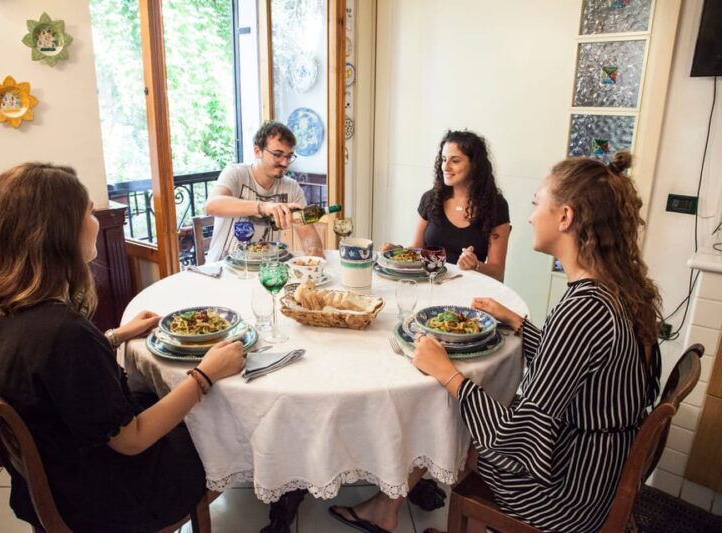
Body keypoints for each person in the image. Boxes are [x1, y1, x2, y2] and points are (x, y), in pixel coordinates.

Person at [334, 152, 662, 533]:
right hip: (594, 470)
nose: (530, 215)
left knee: (453, 419)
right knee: (468, 407)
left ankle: (391, 509)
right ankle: (388, 509)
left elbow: (516, 439)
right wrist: (519, 324)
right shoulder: (608, 290)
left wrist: (447, 373)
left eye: (538, 203)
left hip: (566, 495)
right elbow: (572, 366)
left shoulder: (582, 311)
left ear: (566, 217)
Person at [0, 163, 245, 532]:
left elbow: (50, 373)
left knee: (153, 390)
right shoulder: (65, 333)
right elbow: (131, 441)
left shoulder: (1, 309)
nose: (96, 220)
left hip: (60, 472)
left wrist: (116, 336)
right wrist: (204, 375)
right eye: (87, 211)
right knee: (216, 423)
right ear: (60, 233)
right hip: (104, 496)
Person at [381, 130, 511, 281]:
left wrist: (475, 265)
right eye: (443, 159)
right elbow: (417, 248)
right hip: (429, 285)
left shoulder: (496, 205)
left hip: (470, 289)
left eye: (455, 161)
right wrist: (398, 252)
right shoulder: (431, 198)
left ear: (475, 165)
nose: (445, 167)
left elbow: (497, 270)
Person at [205, 120, 325, 262]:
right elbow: (211, 206)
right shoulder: (236, 173)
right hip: (222, 271)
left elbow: (307, 232)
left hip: (266, 274)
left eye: (288, 156)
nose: (285, 163)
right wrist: (263, 207)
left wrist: (315, 252)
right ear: (258, 151)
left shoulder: (292, 188)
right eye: (277, 154)